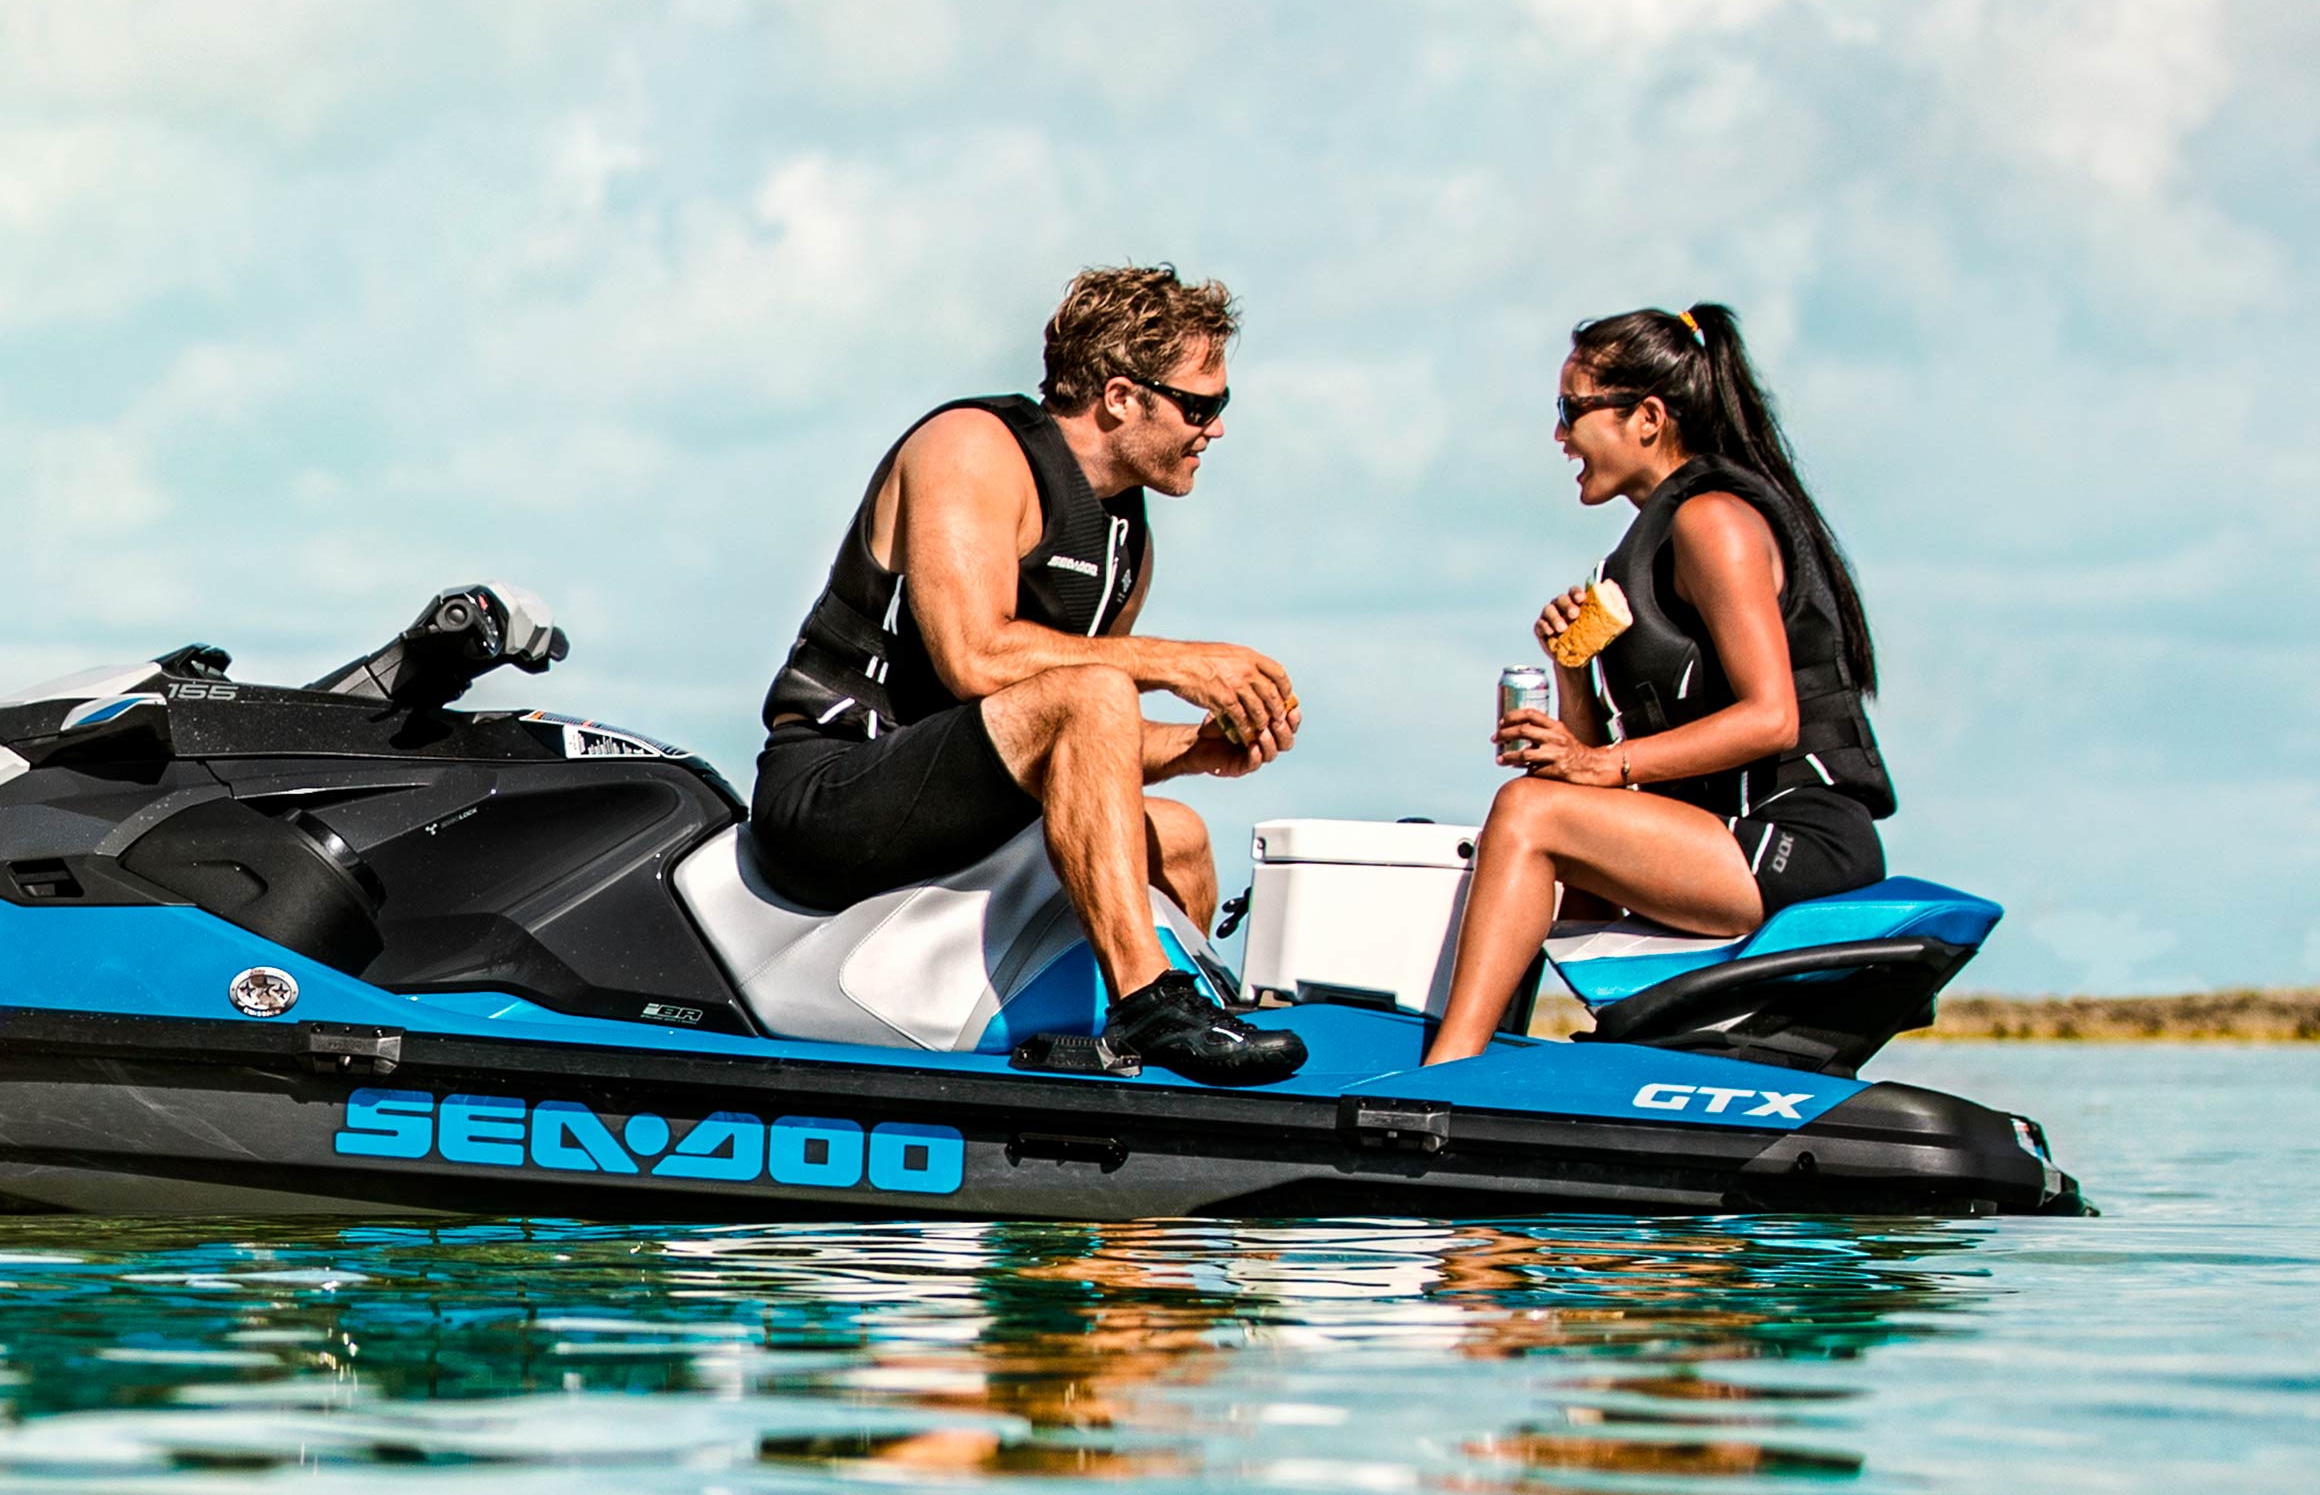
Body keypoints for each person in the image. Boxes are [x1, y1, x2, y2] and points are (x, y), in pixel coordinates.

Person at [755, 264, 1309, 1085]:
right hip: (831, 795)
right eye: (1202, 405)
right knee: (1097, 687)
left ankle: (1182, 1062)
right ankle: (1148, 1003)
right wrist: (1177, 662)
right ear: (1122, 396)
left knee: (1183, 837)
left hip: (960, 804)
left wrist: (1196, 748)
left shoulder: (1128, 534)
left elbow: (1082, 746)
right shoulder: (974, 449)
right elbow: (975, 657)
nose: (1216, 428)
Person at [1423, 304, 1894, 1065]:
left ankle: (1449, 1074)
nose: (1558, 436)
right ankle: (1546, 1061)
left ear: (1646, 417)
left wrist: (1598, 767)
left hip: (1793, 838)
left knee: (1529, 814)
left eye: (1570, 411)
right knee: (1535, 830)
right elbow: (1591, 773)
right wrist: (1572, 676)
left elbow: (1772, 718)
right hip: (1721, 838)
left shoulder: (1715, 521)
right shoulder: (1644, 548)